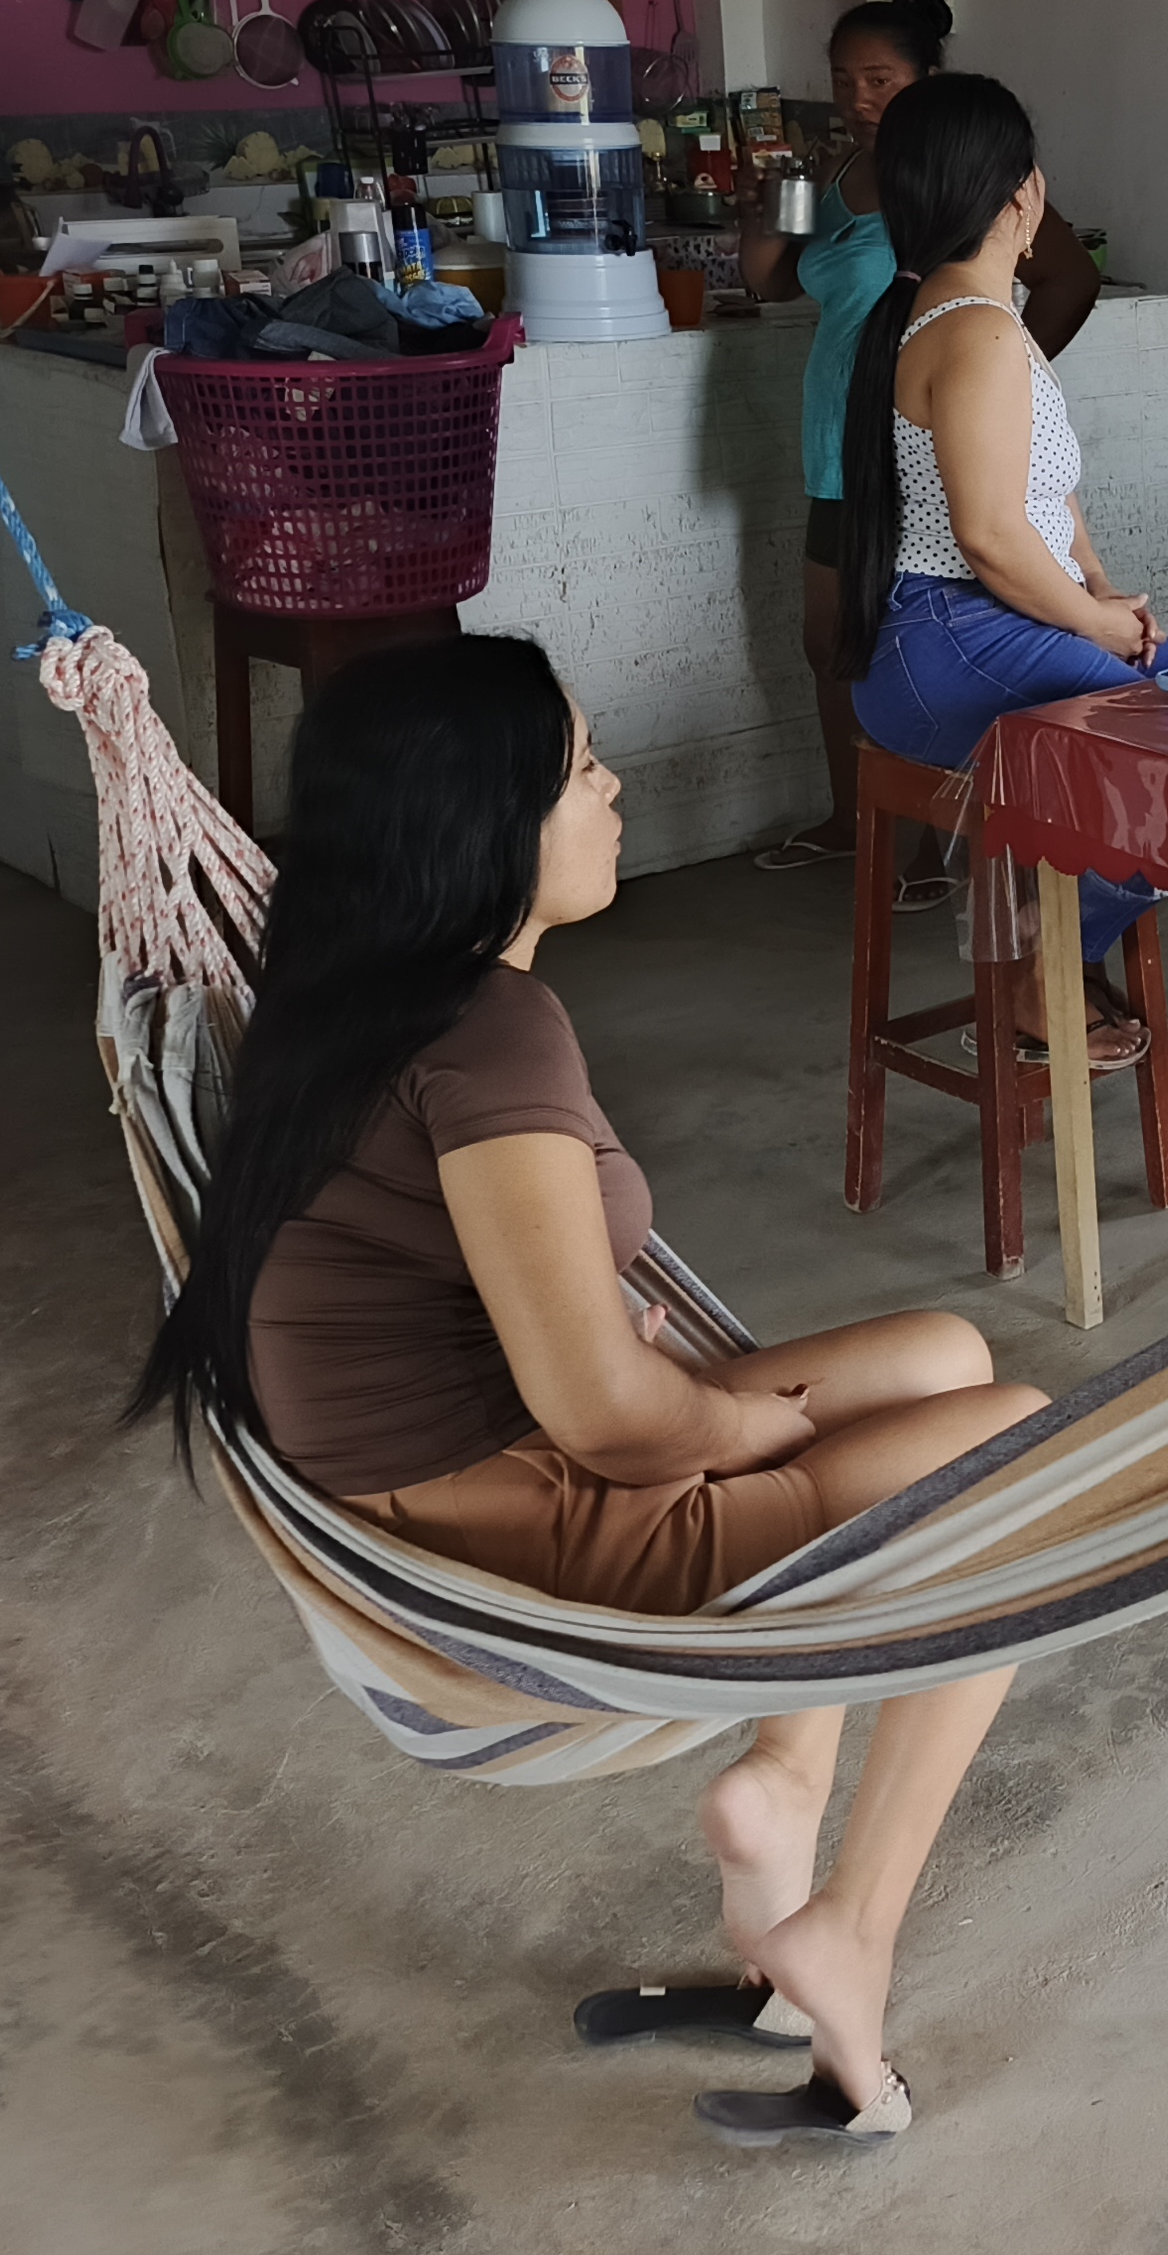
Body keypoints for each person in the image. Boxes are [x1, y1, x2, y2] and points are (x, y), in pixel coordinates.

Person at [130, 634, 1040, 2144]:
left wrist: (688, 1399)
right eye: (584, 768)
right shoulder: (488, 1033)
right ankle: (851, 1929)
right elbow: (609, 1418)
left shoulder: (351, 989)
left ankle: (781, 1784)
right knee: (1020, 1466)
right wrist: (737, 1430)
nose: (614, 791)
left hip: (451, 1477)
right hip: (519, 1529)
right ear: (484, 821)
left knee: (944, 1354)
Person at [840, 71, 1168, 1069]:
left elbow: (1048, 500)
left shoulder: (973, 318)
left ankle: (1048, 943)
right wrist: (1095, 626)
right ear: (1025, 194)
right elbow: (990, 537)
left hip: (988, 623)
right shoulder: (973, 332)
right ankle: (1034, 972)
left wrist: (1099, 591)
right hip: (951, 632)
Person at [741, 0, 1099, 882]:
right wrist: (776, 198)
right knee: (836, 639)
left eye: (880, 79)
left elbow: (1069, 278)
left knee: (922, 635)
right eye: (843, 81)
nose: (859, 99)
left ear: (926, 80)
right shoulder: (836, 179)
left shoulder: (972, 196)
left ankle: (946, 850)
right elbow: (769, 284)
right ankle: (863, 822)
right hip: (842, 443)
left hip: (922, 445)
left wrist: (990, 396)